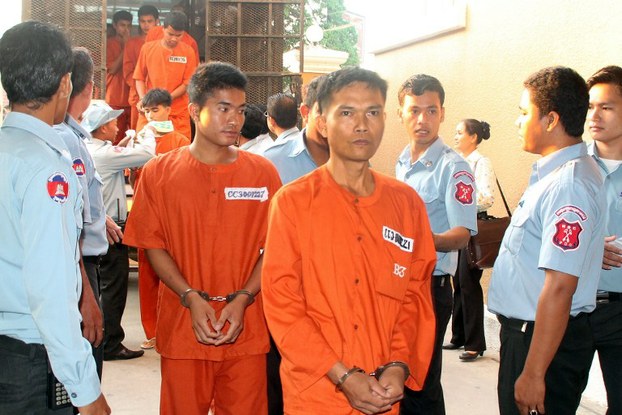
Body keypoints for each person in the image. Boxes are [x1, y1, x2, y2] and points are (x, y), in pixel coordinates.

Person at [262, 67, 437, 415]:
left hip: (382, 392)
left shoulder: (406, 205)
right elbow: (282, 301)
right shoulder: (293, 202)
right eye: (346, 112)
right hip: (315, 390)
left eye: (372, 112)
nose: (361, 125)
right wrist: (342, 376)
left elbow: (414, 296)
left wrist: (399, 365)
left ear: (385, 119)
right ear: (322, 123)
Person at [123, 62, 281, 415]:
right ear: (195, 111)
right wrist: (190, 297)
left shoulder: (262, 173)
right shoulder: (159, 173)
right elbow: (152, 245)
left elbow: (273, 249)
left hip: (247, 328)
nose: (234, 120)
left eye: (240, 110)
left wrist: (243, 299)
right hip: (184, 328)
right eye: (223, 109)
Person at [0, 21, 110, 415]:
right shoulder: (47, 169)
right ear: (65, 83)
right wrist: (85, 389)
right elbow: (50, 293)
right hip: (28, 357)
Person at [488, 66, 607, 415]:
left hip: (542, 346)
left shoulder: (568, 185)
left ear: (551, 120)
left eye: (524, 113)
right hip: (532, 338)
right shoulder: (554, 174)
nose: (517, 122)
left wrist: (534, 372)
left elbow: (559, 287)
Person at [395, 74, 477, 414]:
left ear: (442, 113)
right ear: (400, 113)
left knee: (422, 382)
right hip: (399, 284)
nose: (422, 120)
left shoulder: (454, 167)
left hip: (430, 288)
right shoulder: (402, 161)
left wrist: (424, 242)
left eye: (431, 111)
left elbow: (463, 235)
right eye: (414, 111)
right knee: (400, 377)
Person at [261, 75, 329, 415]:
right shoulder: (271, 160)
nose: (336, 121)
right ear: (306, 111)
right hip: (287, 299)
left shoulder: (359, 164)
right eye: (326, 110)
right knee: (279, 391)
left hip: (338, 302)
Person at [54, 47, 113, 379]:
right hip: (80, 269)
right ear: (88, 88)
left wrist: (100, 218)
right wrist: (85, 295)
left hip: (78, 265)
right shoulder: (71, 140)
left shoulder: (64, 134)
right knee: (87, 361)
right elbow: (70, 222)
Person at [82, 100, 155, 361]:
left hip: (96, 226)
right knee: (114, 286)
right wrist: (148, 131)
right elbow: (147, 154)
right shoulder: (104, 154)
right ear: (101, 129)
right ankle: (111, 343)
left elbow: (116, 154)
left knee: (99, 284)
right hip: (112, 227)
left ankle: (98, 337)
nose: (116, 126)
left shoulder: (90, 149)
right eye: (112, 122)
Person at [132, 87, 190, 350]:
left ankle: (170, 328)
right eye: (147, 110)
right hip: (146, 213)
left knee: (173, 273)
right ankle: (152, 330)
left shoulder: (180, 140)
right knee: (147, 275)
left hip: (171, 216)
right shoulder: (140, 139)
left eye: (156, 109)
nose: (152, 115)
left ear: (168, 109)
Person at [582, 65, 622, 414]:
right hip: (571, 307)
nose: (594, 115)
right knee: (553, 401)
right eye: (591, 105)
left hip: (621, 310)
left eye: (606, 106)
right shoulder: (568, 166)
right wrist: (590, 250)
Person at [445, 119, 495, 361]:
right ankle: (458, 336)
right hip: (458, 227)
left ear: (473, 137)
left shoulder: (481, 162)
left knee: (468, 283)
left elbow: (487, 197)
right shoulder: (457, 163)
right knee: (458, 281)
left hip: (473, 229)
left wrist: (459, 207)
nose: (455, 137)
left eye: (459, 132)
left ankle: (475, 343)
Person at [133, 11, 198, 139]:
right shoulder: (147, 48)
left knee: (179, 150)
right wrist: (142, 99)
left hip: (177, 112)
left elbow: (187, 83)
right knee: (144, 148)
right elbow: (139, 77)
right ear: (162, 28)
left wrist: (166, 98)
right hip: (151, 109)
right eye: (170, 34)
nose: (174, 39)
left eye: (178, 35)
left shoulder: (188, 51)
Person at [263, 75, 330, 185]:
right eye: (323, 111)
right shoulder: (271, 159)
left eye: (344, 113)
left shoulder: (356, 162)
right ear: (305, 112)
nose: (333, 119)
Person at [123, 5, 160, 130]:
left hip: (160, 96)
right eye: (143, 21)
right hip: (138, 98)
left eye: (149, 21)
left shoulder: (164, 44)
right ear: (138, 22)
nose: (146, 25)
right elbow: (127, 73)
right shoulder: (132, 43)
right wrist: (141, 92)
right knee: (138, 133)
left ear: (157, 21)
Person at [106, 10, 132, 144]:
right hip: (114, 99)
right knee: (114, 139)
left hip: (131, 100)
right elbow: (113, 69)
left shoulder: (135, 44)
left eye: (129, 26)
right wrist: (127, 47)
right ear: (115, 26)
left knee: (131, 139)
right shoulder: (108, 43)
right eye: (122, 25)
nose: (126, 29)